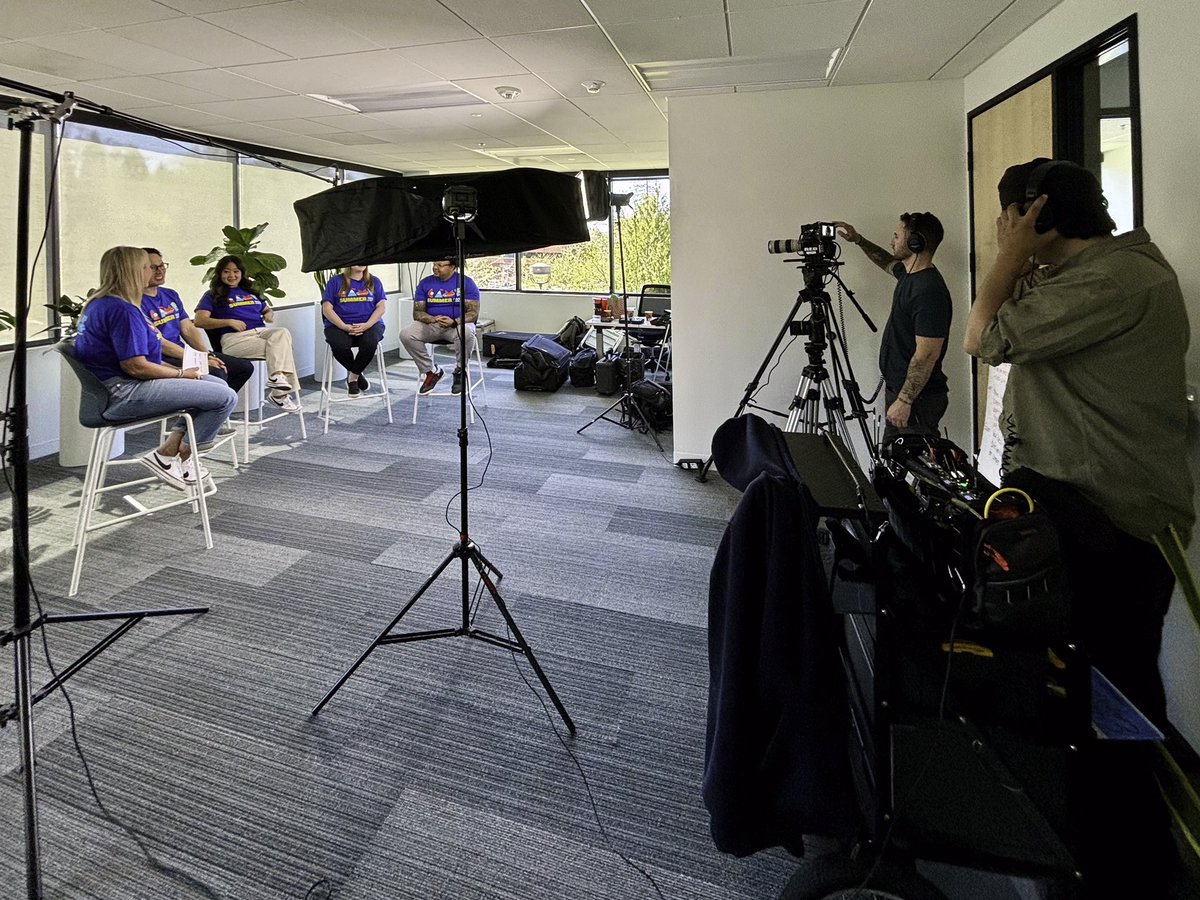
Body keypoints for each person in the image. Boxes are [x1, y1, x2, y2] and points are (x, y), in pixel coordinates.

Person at [964, 158, 1194, 899]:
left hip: (1114, 521)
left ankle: (1135, 863)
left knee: (1116, 690)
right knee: (1089, 681)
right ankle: (1105, 837)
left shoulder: (1112, 282)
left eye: (1009, 218)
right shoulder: (1090, 277)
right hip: (1085, 513)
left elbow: (984, 336)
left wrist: (1007, 260)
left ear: (1036, 217)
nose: (1000, 231)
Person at [73, 246, 239, 490]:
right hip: (124, 392)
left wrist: (187, 374)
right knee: (225, 397)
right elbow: (136, 367)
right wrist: (181, 374)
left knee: (214, 384)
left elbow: (146, 358)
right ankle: (183, 457)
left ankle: (167, 453)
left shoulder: (104, 304)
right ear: (132, 271)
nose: (151, 272)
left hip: (125, 386)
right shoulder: (122, 311)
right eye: (146, 267)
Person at [834, 213, 952, 440]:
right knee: (892, 457)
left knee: (918, 458)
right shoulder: (910, 274)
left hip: (916, 400)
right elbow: (886, 262)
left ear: (915, 242)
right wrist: (859, 240)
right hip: (899, 391)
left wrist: (905, 400)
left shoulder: (928, 291)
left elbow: (927, 354)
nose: (892, 241)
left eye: (897, 236)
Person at [140, 247, 253, 413]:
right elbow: (159, 343)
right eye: (153, 267)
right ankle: (199, 419)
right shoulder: (135, 302)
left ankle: (208, 414)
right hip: (161, 357)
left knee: (243, 367)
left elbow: (187, 328)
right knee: (215, 373)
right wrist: (200, 359)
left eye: (162, 265)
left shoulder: (170, 295)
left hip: (183, 351)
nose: (160, 270)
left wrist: (206, 354)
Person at [192, 255, 301, 413]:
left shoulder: (250, 291)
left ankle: (277, 379)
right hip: (235, 339)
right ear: (220, 273)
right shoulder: (212, 295)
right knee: (282, 348)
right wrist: (228, 322)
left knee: (282, 333)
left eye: (236, 271)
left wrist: (268, 314)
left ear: (242, 273)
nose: (232, 275)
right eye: (226, 271)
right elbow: (199, 321)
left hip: (261, 333)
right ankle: (279, 395)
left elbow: (266, 309)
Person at [400, 258, 480, 395]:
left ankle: (460, 370)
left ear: (452, 267)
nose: (435, 267)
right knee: (406, 334)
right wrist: (432, 318)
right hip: (432, 325)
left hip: (456, 326)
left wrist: (454, 321)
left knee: (467, 331)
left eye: (440, 265)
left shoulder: (466, 283)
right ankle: (431, 371)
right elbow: (417, 313)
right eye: (434, 264)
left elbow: (473, 313)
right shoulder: (425, 283)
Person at [321, 264, 386, 395]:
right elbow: (327, 308)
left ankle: (353, 378)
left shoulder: (374, 281)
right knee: (339, 345)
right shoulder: (335, 281)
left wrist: (367, 325)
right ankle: (358, 375)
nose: (361, 263)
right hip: (339, 325)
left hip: (370, 324)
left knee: (369, 343)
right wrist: (344, 326)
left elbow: (381, 307)